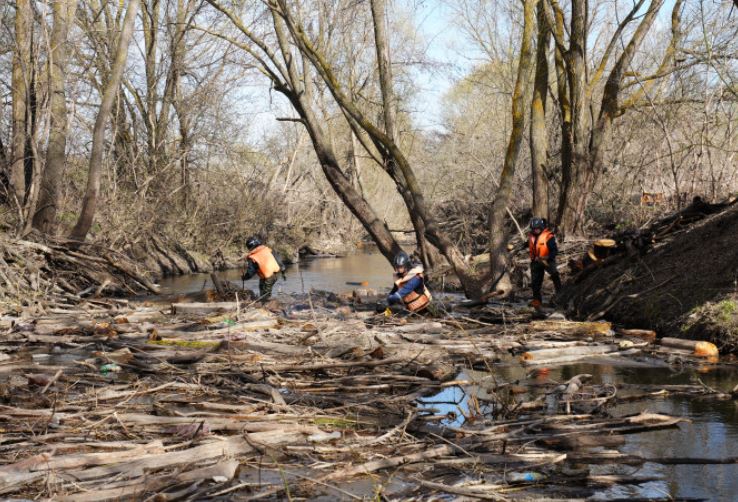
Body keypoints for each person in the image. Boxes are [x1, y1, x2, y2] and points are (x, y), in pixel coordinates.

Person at [528, 217, 562, 308]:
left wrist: (547, 257)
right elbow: (530, 244)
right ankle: (537, 300)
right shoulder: (531, 236)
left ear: (541, 227)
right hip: (536, 261)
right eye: (533, 229)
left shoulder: (548, 236)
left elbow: (554, 251)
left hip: (548, 261)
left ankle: (561, 296)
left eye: (537, 228)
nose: (535, 230)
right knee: (535, 282)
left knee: (555, 277)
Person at [241, 236, 286, 301]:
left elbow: (251, 272)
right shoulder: (267, 249)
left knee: (266, 294)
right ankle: (264, 300)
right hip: (275, 274)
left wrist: (245, 277)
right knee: (262, 287)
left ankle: (266, 302)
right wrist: (283, 271)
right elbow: (278, 260)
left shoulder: (252, 257)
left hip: (268, 277)